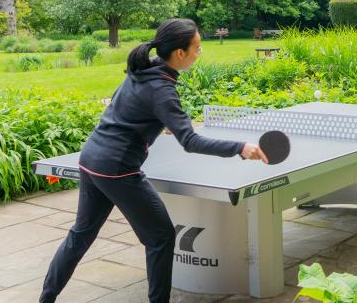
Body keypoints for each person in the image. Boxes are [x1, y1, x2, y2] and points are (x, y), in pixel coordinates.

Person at [39, 18, 268, 303]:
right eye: (197, 48)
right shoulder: (162, 89)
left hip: (91, 159)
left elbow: (121, 106)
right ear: (180, 53)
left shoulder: (141, 70)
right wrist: (240, 148)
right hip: (118, 170)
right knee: (161, 237)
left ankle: (45, 299)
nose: (200, 53)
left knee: (80, 236)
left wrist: (163, 122)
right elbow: (190, 142)